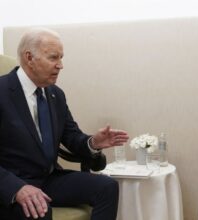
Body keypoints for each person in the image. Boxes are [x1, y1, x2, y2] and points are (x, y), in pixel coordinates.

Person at [0, 27, 129, 220]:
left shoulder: (55, 94)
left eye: (61, 58)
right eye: (53, 58)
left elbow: (72, 137)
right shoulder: (2, 91)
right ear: (29, 58)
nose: (60, 65)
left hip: (49, 179)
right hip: (14, 183)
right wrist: (16, 188)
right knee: (39, 211)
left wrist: (93, 143)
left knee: (107, 187)